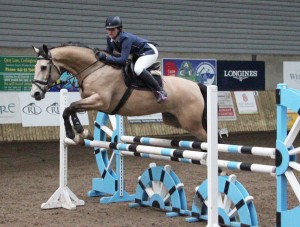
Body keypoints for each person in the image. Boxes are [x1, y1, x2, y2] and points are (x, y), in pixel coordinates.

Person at [96, 15, 168, 103]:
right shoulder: (109, 39)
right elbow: (109, 53)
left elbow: (123, 60)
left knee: (137, 69)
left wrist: (106, 58)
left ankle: (160, 91)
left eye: (113, 29)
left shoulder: (125, 38)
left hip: (149, 51)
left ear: (119, 29)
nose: (110, 31)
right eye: (108, 29)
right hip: (137, 54)